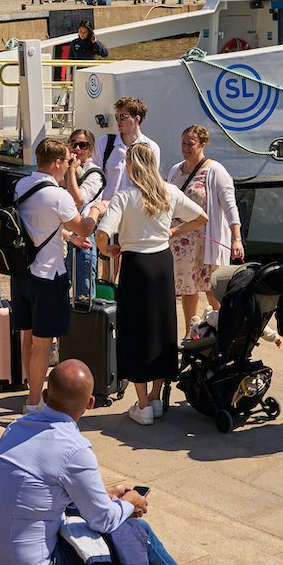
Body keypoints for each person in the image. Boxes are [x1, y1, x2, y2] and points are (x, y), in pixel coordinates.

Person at [0, 360, 221, 565]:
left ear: (44, 396)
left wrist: (106, 493)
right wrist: (131, 503)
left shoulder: (16, 428)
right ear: (89, 403)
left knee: (100, 514)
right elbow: (104, 520)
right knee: (133, 529)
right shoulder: (74, 448)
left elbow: (44, 489)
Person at [90, 144, 204, 424]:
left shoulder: (125, 196)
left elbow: (102, 234)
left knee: (135, 331)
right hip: (163, 264)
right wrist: (174, 231)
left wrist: (109, 252)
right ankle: (155, 397)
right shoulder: (168, 191)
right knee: (162, 328)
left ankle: (141, 405)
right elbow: (201, 217)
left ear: (131, 165)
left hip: (136, 266)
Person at [14, 137, 89, 411]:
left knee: (27, 336)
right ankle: (33, 402)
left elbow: (37, 225)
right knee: (42, 344)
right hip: (47, 275)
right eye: (67, 161)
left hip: (22, 272)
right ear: (57, 163)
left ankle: (29, 389)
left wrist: (67, 235)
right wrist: (96, 210)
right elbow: (85, 227)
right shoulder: (59, 196)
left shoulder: (21, 185)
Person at [168, 125, 243, 331]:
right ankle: (190, 334)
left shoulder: (215, 170)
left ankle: (221, 333)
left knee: (212, 289)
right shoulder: (175, 170)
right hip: (181, 242)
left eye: (190, 144)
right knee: (187, 289)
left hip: (206, 241)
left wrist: (236, 238)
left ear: (202, 144)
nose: (185, 148)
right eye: (183, 143)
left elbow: (230, 206)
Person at [89, 96, 160, 283]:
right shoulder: (106, 142)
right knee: (108, 266)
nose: (119, 121)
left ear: (137, 119)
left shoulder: (150, 147)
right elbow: (95, 176)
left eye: (124, 116)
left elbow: (151, 182)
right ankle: (109, 306)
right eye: (117, 116)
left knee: (132, 266)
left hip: (134, 215)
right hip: (107, 212)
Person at [61, 130, 105, 299]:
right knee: (62, 289)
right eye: (74, 144)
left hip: (84, 236)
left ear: (90, 148)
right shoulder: (64, 167)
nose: (77, 148)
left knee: (83, 292)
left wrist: (71, 171)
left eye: (83, 145)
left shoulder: (94, 173)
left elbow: (78, 199)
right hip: (65, 235)